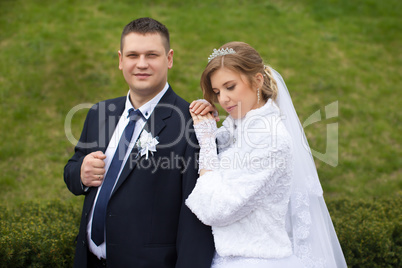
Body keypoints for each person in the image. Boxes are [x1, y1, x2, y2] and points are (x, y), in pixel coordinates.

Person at [64, 17, 215, 267]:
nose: (141, 64)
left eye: (152, 55)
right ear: (121, 60)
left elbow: (197, 220)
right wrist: (80, 173)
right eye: (133, 55)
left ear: (169, 59)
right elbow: (72, 168)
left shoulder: (192, 125)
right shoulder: (99, 113)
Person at [185, 42, 347, 268]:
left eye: (230, 87)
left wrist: (207, 142)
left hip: (255, 260)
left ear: (258, 80)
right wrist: (207, 122)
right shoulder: (240, 128)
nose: (222, 99)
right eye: (217, 92)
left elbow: (216, 209)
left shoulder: (271, 140)